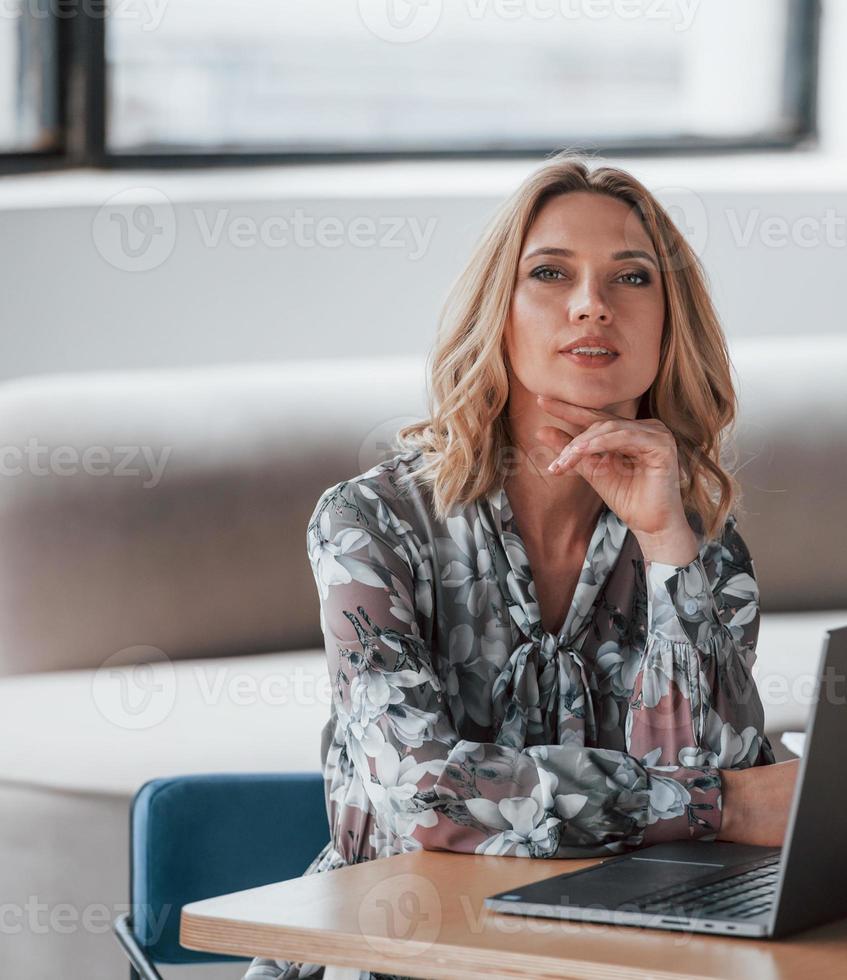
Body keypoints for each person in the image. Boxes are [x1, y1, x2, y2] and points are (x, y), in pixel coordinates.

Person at [244, 153, 797, 979]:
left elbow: (723, 780)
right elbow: (418, 790)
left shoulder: (701, 543)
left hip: (622, 955)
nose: (591, 306)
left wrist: (664, 541)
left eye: (632, 278)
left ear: (669, 324)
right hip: (404, 955)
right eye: (549, 273)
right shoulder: (372, 523)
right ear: (497, 314)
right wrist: (713, 807)